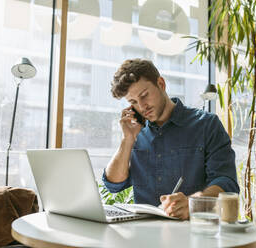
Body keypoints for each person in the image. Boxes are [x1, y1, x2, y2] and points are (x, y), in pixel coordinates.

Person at [102, 59, 239, 220]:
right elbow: (113, 184)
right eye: (133, 102)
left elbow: (226, 182)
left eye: (144, 95)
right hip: (143, 234)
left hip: (194, 232)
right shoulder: (135, 133)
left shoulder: (207, 125)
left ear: (161, 84)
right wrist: (127, 140)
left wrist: (193, 203)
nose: (142, 106)